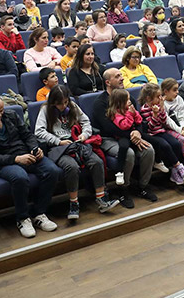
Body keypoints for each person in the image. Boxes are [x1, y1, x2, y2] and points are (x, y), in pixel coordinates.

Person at [0, 96, 61, 238]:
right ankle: (22, 218)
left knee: (52, 171)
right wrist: (16, 159)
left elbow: (27, 135)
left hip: (25, 154)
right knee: (20, 177)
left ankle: (39, 213)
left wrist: (35, 148)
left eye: (1, 110)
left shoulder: (11, 115)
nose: (0, 115)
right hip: (3, 162)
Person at [33, 86, 121, 221]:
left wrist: (84, 135)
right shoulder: (45, 110)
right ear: (53, 103)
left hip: (77, 144)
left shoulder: (72, 106)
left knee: (96, 161)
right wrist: (58, 141)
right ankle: (74, 204)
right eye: (60, 103)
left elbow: (86, 122)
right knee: (71, 167)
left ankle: (101, 199)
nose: (63, 106)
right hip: (58, 148)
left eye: (65, 102)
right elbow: (39, 132)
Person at [92, 68, 156, 206]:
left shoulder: (126, 96)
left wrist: (137, 132)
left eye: (121, 75)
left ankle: (142, 187)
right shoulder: (100, 102)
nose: (122, 78)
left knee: (148, 150)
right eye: (117, 76)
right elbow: (108, 127)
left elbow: (137, 117)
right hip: (108, 138)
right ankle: (123, 189)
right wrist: (132, 134)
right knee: (129, 154)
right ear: (108, 82)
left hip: (129, 135)